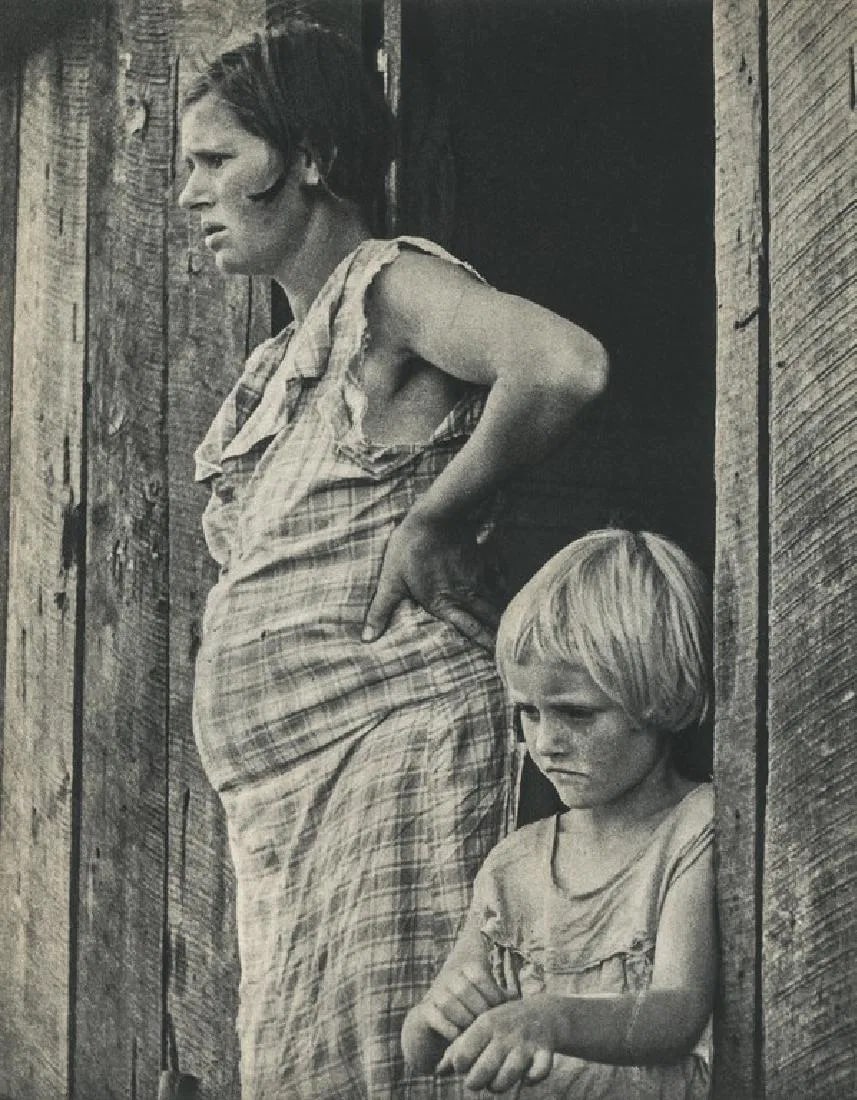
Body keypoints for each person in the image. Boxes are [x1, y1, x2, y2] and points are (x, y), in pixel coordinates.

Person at [177, 19, 608, 1099]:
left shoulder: (389, 286)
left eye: (216, 159)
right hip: (286, 806)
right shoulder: (285, 356)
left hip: (392, 758)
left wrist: (430, 521)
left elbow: (560, 365)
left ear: (311, 158)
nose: (190, 194)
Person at [402, 529, 715, 1098]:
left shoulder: (696, 827)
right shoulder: (513, 864)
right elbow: (425, 1053)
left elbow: (678, 1010)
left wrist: (550, 1018)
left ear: (660, 698)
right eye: (529, 713)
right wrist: (434, 1014)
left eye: (576, 714)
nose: (546, 743)